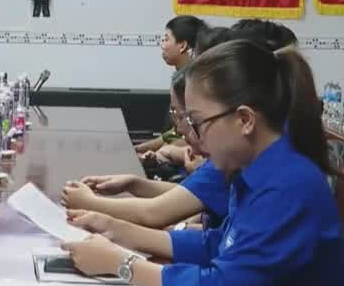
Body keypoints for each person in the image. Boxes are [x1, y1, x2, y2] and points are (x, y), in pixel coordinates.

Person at [62, 40, 344, 286]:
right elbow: (217, 244)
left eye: (197, 122)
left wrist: (121, 264)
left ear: (245, 120)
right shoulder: (254, 169)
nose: (192, 136)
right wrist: (118, 231)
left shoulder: (287, 187)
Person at [62, 68, 227, 229]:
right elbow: (186, 192)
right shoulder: (219, 162)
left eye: (183, 116)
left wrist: (89, 203)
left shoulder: (224, 165)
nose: (178, 130)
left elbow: (153, 213)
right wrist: (133, 184)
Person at [134, 16, 205, 155]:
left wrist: (158, 153)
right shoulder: (180, 79)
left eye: (166, 39)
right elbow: (175, 133)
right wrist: (141, 148)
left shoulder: (193, 84)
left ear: (183, 46)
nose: (162, 45)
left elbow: (188, 135)